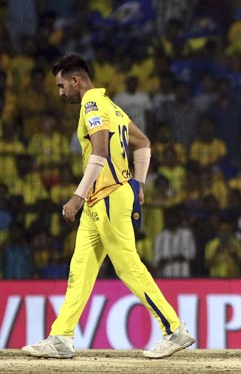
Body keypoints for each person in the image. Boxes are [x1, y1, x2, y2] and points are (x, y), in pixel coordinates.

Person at [22, 54, 194, 359]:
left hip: (108, 196)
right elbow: (144, 143)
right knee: (80, 270)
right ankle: (61, 337)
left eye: (61, 86)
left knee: (127, 266)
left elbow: (99, 153)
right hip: (101, 201)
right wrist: (139, 185)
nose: (60, 92)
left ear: (76, 80)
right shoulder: (111, 106)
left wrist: (77, 196)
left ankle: (174, 330)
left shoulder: (91, 105)